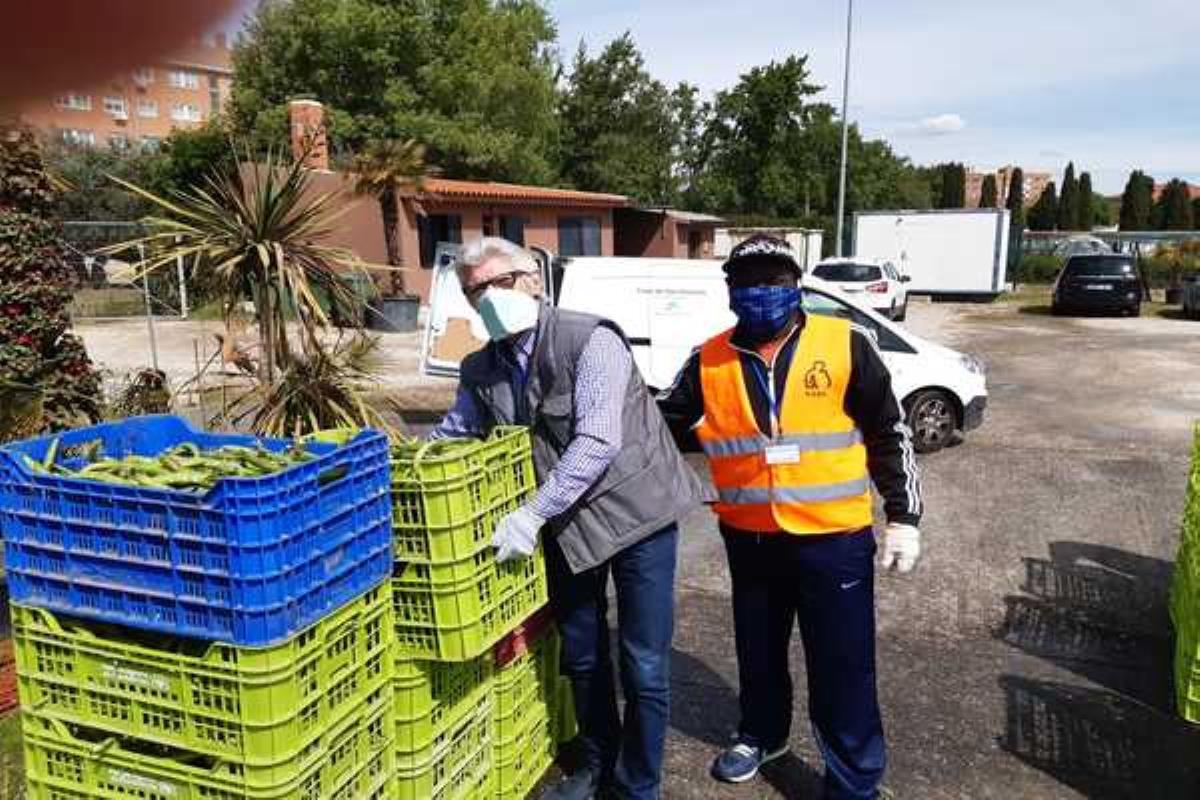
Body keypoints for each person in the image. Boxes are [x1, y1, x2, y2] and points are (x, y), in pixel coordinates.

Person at [432, 237, 705, 800]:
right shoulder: (480, 366)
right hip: (567, 525)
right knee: (582, 654)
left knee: (643, 663)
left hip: (637, 516)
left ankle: (638, 785)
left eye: (496, 284)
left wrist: (531, 512)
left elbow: (598, 441)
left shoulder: (590, 338)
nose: (486, 298)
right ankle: (597, 765)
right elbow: (455, 433)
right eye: (472, 291)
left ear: (531, 278)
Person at [656, 234, 923, 799]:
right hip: (750, 540)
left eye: (774, 280)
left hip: (834, 540)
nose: (761, 293)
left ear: (795, 284)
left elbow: (888, 431)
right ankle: (762, 735)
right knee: (758, 651)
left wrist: (904, 515)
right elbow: (658, 427)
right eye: (748, 282)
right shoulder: (708, 360)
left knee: (844, 666)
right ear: (730, 290)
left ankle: (853, 781)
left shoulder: (846, 342)